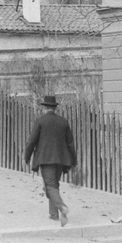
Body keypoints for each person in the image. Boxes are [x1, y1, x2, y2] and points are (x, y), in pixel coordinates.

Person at [23, 93, 76, 227]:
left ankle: (62, 206)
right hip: (61, 159)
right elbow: (70, 144)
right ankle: (53, 215)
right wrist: (73, 161)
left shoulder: (41, 121)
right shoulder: (63, 121)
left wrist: (26, 157)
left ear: (45, 107)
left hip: (46, 159)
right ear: (55, 108)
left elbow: (31, 141)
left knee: (49, 186)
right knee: (54, 185)